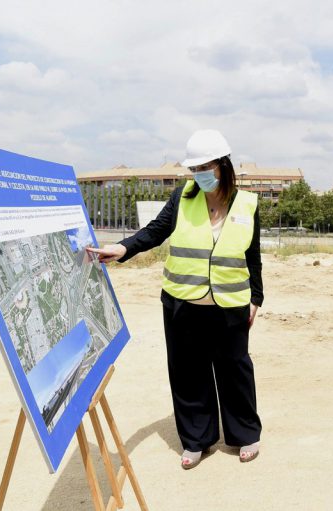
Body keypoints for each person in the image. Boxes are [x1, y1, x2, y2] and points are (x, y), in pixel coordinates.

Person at [87, 129, 263, 470]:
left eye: (205, 167)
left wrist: (256, 296)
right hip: (183, 303)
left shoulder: (247, 203)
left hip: (230, 304)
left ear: (223, 166)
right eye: (193, 169)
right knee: (187, 372)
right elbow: (156, 230)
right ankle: (197, 439)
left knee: (236, 371)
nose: (198, 175)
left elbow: (252, 256)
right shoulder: (183, 197)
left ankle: (245, 434)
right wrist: (123, 248)